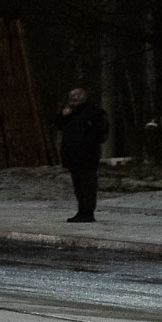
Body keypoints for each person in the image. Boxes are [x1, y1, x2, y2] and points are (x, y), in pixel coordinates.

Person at [55, 87, 109, 222]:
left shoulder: (93, 111)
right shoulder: (70, 112)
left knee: (88, 183)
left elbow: (101, 131)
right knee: (78, 183)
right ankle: (82, 210)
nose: (74, 99)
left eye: (77, 96)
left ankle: (88, 212)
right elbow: (59, 125)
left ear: (84, 97)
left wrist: (87, 143)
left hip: (88, 154)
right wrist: (63, 115)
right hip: (72, 154)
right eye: (71, 96)